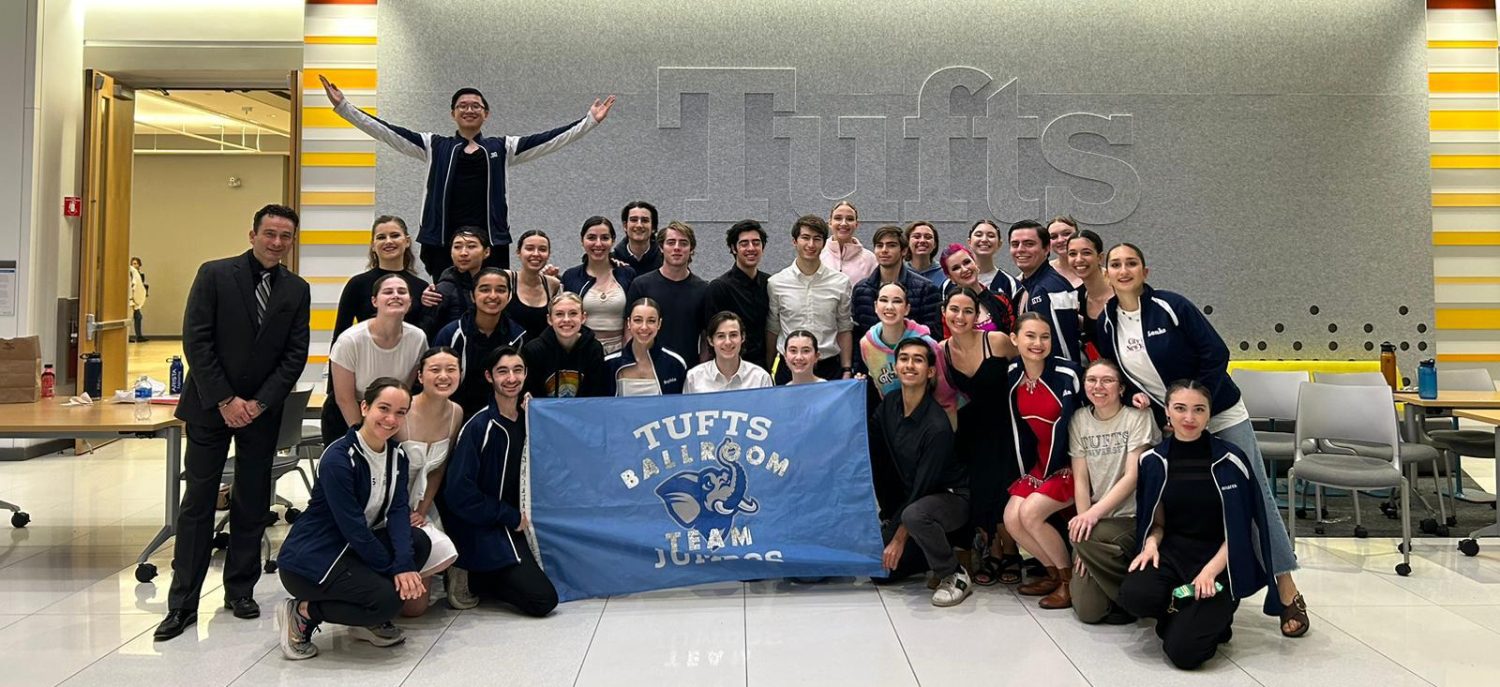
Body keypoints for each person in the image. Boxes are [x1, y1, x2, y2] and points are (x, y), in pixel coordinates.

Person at [1095, 242, 1309, 638]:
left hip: (1220, 413)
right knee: (1179, 502)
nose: (1123, 271)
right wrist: (1139, 394)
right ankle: (1192, 583)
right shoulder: (1107, 322)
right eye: (1116, 265)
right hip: (1175, 422)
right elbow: (1125, 371)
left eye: (1131, 263)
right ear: (1106, 273)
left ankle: (1286, 591)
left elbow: (1216, 352)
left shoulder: (1172, 307)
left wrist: (1199, 403)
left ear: (1145, 269)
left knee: (1255, 499)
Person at [156, 204, 310, 642]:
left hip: (261, 415)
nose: (277, 242)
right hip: (210, 407)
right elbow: (196, 339)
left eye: (285, 236)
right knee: (199, 503)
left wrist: (257, 404)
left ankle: (240, 590)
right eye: (270, 233)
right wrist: (226, 399)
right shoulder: (215, 274)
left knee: (252, 501)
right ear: (253, 234)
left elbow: (293, 355)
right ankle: (182, 602)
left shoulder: (296, 289)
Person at [320, 75, 615, 277]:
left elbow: (551, 138)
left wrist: (589, 122)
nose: (469, 109)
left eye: (476, 106)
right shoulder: (435, 145)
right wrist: (344, 107)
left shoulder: (502, 147)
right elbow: (387, 131)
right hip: (441, 240)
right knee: (444, 300)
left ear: (486, 114)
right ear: (453, 114)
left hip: (492, 240)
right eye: (463, 106)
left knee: (490, 297)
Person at [276, 379, 448, 660]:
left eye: (401, 412)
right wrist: (395, 571)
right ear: (365, 407)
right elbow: (353, 529)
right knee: (388, 600)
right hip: (313, 560)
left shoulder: (396, 456)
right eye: (384, 408)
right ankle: (303, 612)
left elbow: (397, 513)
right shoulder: (339, 458)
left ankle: (365, 617)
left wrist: (404, 563)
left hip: (350, 550)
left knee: (418, 542)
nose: (391, 419)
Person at [1118, 381, 1277, 670]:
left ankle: (1212, 617)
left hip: (1219, 561)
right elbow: (1158, 523)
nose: (1189, 418)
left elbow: (1239, 532)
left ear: (1209, 414)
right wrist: (1151, 543)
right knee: (1134, 595)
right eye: (1180, 408)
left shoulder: (1232, 460)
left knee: (1184, 654)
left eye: (1198, 410)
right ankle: (1187, 611)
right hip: (1174, 555)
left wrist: (1209, 571)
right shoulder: (1152, 461)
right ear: (1167, 412)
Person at [440, 346, 560, 616]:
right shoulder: (479, 426)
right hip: (485, 524)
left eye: (518, 370)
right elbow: (459, 493)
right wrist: (506, 515)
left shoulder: (531, 419)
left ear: (526, 374)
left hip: (519, 523)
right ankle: (470, 572)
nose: (511, 378)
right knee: (543, 601)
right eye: (502, 371)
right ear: (488, 376)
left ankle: (487, 572)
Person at [869, 338, 972, 607]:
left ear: (930, 371)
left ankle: (953, 573)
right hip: (912, 502)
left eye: (918, 359)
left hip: (949, 499)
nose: (909, 365)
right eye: (904, 358)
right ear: (896, 366)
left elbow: (923, 488)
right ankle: (928, 553)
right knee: (879, 572)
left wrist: (899, 538)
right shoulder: (889, 404)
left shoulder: (936, 425)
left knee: (914, 516)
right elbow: (869, 445)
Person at [1068, 358, 1159, 624]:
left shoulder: (1137, 416)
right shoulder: (1079, 419)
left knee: (1086, 539)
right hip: (1096, 521)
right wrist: (1081, 537)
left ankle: (1142, 594)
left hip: (1129, 518)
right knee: (1089, 612)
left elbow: (1132, 476)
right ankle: (1126, 593)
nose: (1099, 386)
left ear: (1121, 389)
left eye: (1107, 380)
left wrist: (1089, 522)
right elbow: (1081, 481)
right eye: (1092, 380)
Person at [941, 287, 1021, 587]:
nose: (960, 317)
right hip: (967, 430)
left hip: (1002, 427)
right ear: (944, 312)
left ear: (978, 315)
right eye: (954, 310)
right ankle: (991, 549)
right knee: (978, 489)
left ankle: (1010, 549)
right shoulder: (941, 350)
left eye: (967, 311)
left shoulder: (997, 341)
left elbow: (1029, 360)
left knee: (1003, 486)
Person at [1003, 312, 1082, 608]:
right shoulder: (1013, 374)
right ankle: (1051, 572)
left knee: (1031, 514)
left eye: (1044, 337)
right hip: (1040, 464)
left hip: (1071, 464)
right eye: (1030, 336)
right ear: (1015, 339)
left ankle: (1069, 582)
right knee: (1012, 517)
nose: (1038, 343)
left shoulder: (1068, 373)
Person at [322, 274, 427, 446]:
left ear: (409, 302)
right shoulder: (350, 340)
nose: (395, 295)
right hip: (347, 417)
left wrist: (388, 426)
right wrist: (365, 438)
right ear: (374, 301)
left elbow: (404, 389)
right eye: (387, 292)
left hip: (390, 418)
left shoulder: (418, 338)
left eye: (402, 292)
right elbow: (344, 398)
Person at [399, 349, 465, 616]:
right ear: (420, 376)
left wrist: (422, 511)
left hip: (422, 504)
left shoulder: (456, 413)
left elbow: (438, 469)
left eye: (451, 369)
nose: (443, 376)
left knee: (416, 608)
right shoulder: (402, 409)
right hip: (387, 502)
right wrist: (400, 511)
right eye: (435, 369)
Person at [767, 215, 853, 383]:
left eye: (817, 239)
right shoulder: (776, 283)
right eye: (805, 238)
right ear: (794, 241)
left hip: (829, 367)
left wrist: (847, 369)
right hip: (789, 368)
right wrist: (769, 367)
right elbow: (772, 328)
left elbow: (844, 326)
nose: (811, 245)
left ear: (824, 243)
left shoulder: (840, 282)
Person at [433, 268, 528, 418]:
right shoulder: (451, 334)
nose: (493, 296)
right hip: (453, 416)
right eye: (484, 289)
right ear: (472, 295)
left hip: (501, 416)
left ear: (509, 296)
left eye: (501, 290)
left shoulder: (518, 337)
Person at [332, 216, 439, 344]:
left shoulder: (421, 287)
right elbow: (340, 336)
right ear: (373, 245)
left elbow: (426, 337)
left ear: (407, 241)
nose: (388, 241)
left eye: (395, 235)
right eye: (381, 237)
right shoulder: (357, 285)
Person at [625, 221, 709, 362]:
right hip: (647, 368)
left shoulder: (703, 289)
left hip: (688, 371)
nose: (677, 248)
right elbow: (629, 330)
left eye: (683, 243)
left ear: (691, 249)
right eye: (671, 242)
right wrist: (633, 364)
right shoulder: (641, 285)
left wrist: (702, 370)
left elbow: (706, 337)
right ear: (661, 248)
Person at [852, 225, 942, 345]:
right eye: (879, 245)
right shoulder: (861, 290)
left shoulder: (926, 289)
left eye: (891, 245)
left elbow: (932, 337)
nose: (884, 250)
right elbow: (857, 336)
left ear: (904, 250)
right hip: (870, 360)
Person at [561, 216, 636, 354]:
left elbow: (632, 318)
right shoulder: (571, 276)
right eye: (591, 238)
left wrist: (628, 353)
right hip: (583, 351)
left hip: (620, 350)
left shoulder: (627, 274)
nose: (598, 244)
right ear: (582, 241)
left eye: (605, 238)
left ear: (613, 240)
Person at [1009, 220, 1081, 362]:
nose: (1020, 249)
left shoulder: (1052, 288)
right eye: (1015, 244)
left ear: (1046, 248)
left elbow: (1063, 348)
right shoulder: (1025, 284)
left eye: (1029, 244)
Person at [703, 220, 772, 368]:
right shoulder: (719, 287)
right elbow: (712, 335)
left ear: (763, 247)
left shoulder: (769, 283)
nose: (751, 248)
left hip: (762, 370)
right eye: (744, 244)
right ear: (734, 248)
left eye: (756, 243)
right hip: (729, 368)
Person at [519, 293, 611, 398]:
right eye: (559, 314)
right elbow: (532, 393)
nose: (566, 319)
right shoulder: (533, 350)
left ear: (583, 318)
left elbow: (595, 392)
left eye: (573, 313)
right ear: (549, 319)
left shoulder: (594, 348)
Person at [604, 298, 688, 396]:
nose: (644, 327)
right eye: (637, 320)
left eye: (651, 321)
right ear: (628, 323)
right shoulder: (609, 363)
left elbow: (681, 405)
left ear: (659, 324)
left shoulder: (675, 363)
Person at [426, 228, 492, 339]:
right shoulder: (441, 290)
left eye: (471, 246)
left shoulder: (494, 285)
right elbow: (427, 330)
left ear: (486, 252)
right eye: (457, 247)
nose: (463, 253)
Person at [684, 311, 772, 392]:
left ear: (743, 337)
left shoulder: (761, 378)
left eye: (733, 335)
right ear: (710, 340)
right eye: (721, 336)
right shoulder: (694, 378)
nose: (728, 342)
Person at [939, 244, 1015, 335]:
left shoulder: (1001, 299)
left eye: (967, 262)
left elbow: (1013, 336)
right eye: (956, 268)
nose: (964, 269)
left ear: (975, 263)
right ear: (950, 277)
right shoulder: (947, 310)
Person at [510, 230, 564, 340]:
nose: (536, 254)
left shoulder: (552, 284)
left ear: (548, 254)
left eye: (542, 250)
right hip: (510, 354)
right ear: (518, 252)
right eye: (529, 248)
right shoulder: (507, 279)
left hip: (542, 353)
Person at [1068, 229, 1109, 362]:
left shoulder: (1121, 293)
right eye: (1072, 254)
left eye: (1086, 253)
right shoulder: (1078, 297)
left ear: (1100, 258)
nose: (1079, 259)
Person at [821, 200, 876, 288]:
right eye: (838, 218)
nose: (843, 223)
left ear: (856, 224)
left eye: (850, 219)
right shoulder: (817, 255)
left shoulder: (870, 260)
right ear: (830, 223)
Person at [967, 219, 1021, 299]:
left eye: (991, 236)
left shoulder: (1010, 283)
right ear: (969, 242)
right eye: (978, 235)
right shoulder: (953, 281)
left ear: (999, 244)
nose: (984, 239)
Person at [612, 200, 663, 274]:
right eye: (634, 220)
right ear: (625, 226)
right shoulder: (611, 262)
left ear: (653, 228)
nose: (639, 225)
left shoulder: (665, 261)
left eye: (645, 220)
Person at [904, 221, 946, 290]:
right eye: (917, 237)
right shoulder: (900, 273)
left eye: (928, 237)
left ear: (935, 244)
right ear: (907, 242)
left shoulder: (945, 274)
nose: (922, 241)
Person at [1047, 215, 1083, 287]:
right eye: (1053, 237)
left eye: (1066, 234)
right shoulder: (1041, 271)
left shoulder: (1100, 273)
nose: (1060, 240)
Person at [128, 257, 149, 343]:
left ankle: (138, 336)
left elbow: (141, 286)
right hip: (131, 299)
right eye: (133, 263)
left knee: (137, 317)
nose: (135, 265)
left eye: (136, 263)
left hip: (135, 299)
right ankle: (135, 336)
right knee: (133, 317)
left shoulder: (140, 274)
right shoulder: (131, 274)